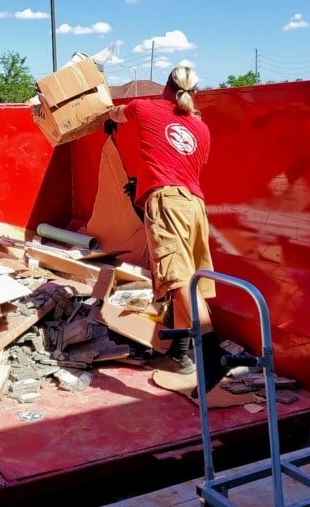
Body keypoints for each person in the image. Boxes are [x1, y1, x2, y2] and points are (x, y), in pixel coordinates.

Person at [105, 66, 229, 393]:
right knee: (191, 282)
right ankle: (178, 355)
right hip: (194, 206)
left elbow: (115, 112)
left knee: (178, 280)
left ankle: (212, 355)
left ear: (166, 86)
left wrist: (109, 118)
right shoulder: (201, 128)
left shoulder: (145, 108)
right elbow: (179, 165)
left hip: (168, 201)